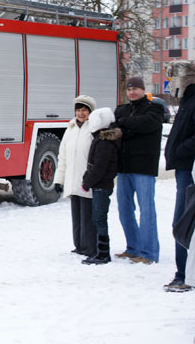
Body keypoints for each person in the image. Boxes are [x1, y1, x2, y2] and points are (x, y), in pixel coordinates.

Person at [114, 76, 164, 264]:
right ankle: (133, 248)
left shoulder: (155, 109)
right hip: (124, 168)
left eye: (136, 88)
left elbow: (147, 124)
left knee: (146, 210)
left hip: (144, 167)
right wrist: (129, 125)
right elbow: (117, 126)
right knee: (124, 209)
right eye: (129, 89)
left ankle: (148, 252)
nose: (132, 92)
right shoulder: (123, 109)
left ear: (143, 90)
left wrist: (124, 124)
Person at [163, 60, 195, 292]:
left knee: (183, 223)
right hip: (183, 170)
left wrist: (180, 150)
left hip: (190, 170)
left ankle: (183, 274)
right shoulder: (187, 101)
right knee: (182, 222)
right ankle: (182, 272)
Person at [53, 95, 97, 257]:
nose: (81, 113)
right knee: (77, 216)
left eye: (84, 110)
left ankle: (89, 246)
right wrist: (59, 179)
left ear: (90, 112)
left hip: (87, 180)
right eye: (78, 110)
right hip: (73, 179)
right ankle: (78, 245)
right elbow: (62, 156)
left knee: (87, 217)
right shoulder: (70, 129)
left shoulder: (93, 128)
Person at [80, 107, 122, 265]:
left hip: (101, 186)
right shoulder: (101, 139)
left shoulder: (104, 142)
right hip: (99, 185)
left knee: (99, 218)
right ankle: (100, 251)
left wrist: (87, 182)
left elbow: (99, 167)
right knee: (98, 218)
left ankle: (103, 253)